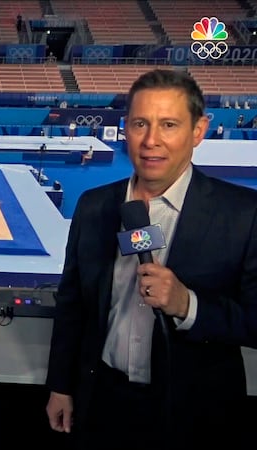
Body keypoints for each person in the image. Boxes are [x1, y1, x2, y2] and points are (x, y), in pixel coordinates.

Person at [45, 69, 256, 450]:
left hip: (194, 414)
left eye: (169, 125)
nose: (151, 140)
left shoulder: (243, 214)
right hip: (103, 401)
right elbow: (72, 303)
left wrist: (188, 305)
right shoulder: (94, 206)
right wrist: (61, 386)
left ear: (199, 130)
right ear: (126, 128)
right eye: (140, 124)